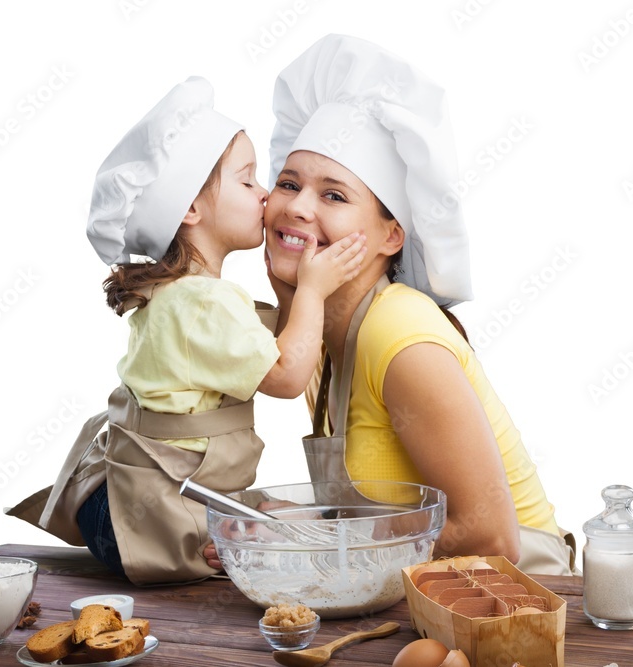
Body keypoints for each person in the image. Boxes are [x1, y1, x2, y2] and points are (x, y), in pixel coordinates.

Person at [207, 35, 575, 575]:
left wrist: (310, 538)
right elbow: (388, 515)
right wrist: (299, 521)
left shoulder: (398, 334)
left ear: (391, 237)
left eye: (334, 195)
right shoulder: (322, 336)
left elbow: (490, 537)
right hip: (423, 593)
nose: (298, 208)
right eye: (288, 184)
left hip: (517, 600)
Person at [8, 76, 366, 584]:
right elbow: (287, 376)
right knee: (287, 535)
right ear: (190, 209)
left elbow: (272, 347)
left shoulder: (174, 291)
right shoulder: (204, 301)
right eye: (247, 181)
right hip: (146, 519)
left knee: (287, 514)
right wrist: (311, 291)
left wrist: (291, 287)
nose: (265, 195)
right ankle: (202, 546)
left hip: (118, 499)